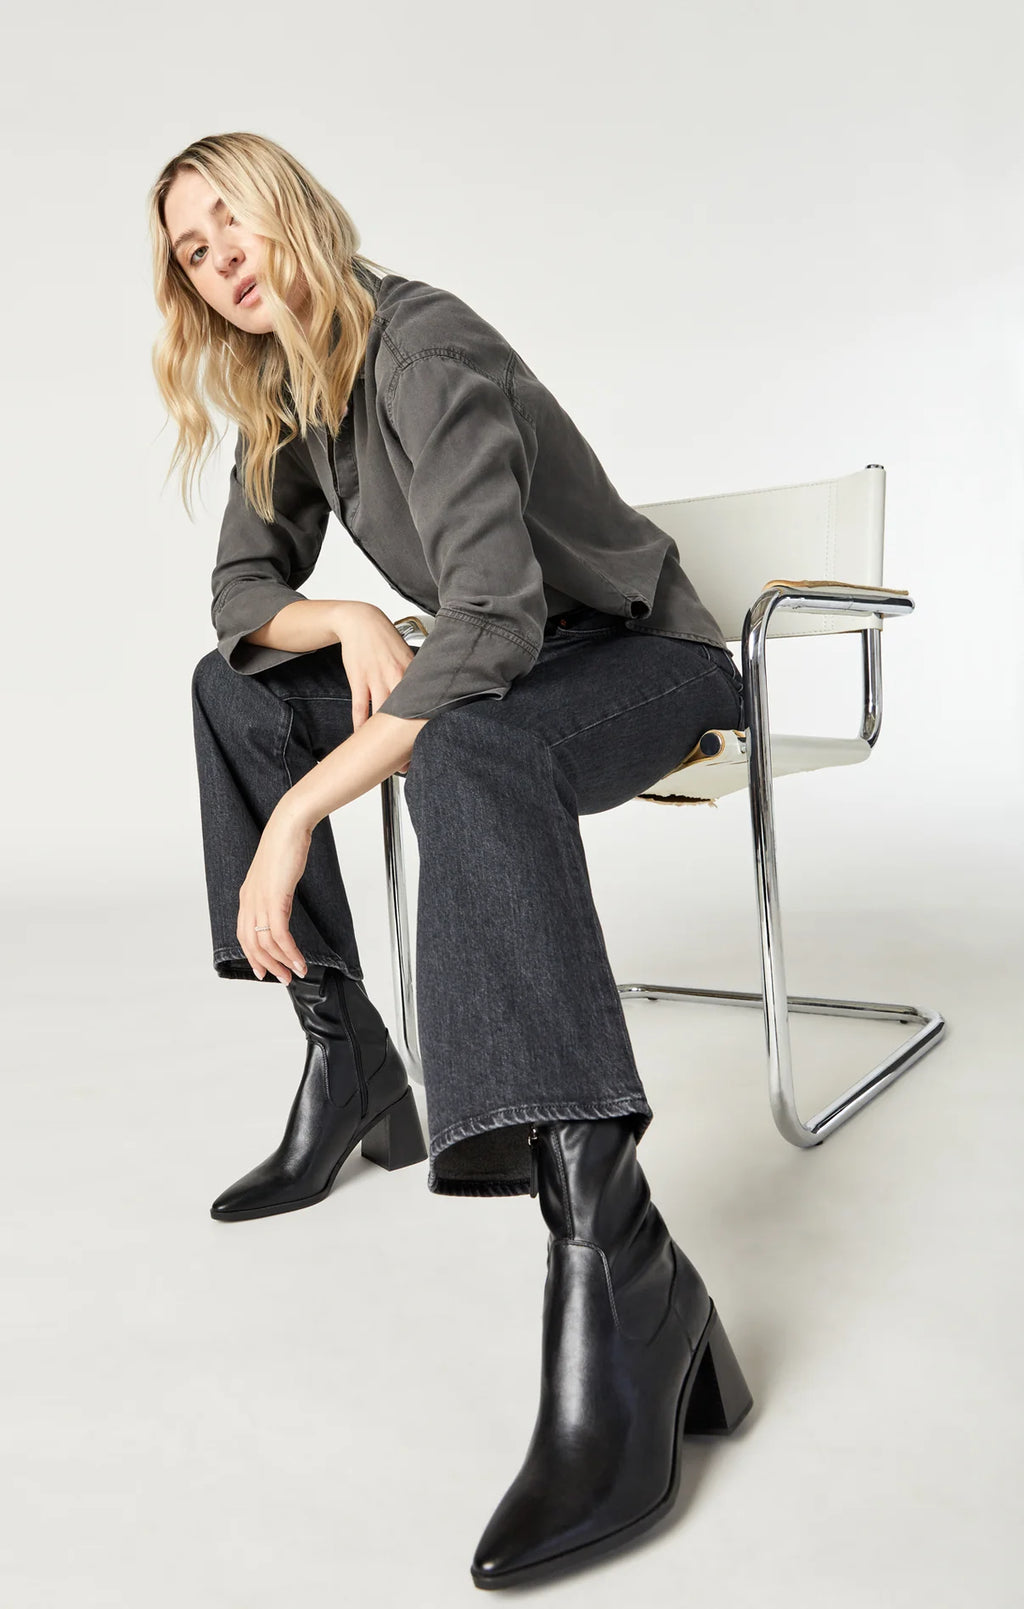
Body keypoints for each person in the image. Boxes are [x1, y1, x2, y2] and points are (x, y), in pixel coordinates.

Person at [149, 130, 753, 1591]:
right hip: (514, 663)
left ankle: (616, 1256)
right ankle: (350, 1056)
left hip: (645, 664)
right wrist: (349, 618)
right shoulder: (289, 391)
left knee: (470, 746)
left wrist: (299, 816)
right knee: (235, 688)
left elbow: (491, 625)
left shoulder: (422, 348)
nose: (219, 258)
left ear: (292, 210)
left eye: (231, 220)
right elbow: (241, 591)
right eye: (190, 250)